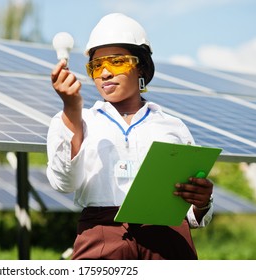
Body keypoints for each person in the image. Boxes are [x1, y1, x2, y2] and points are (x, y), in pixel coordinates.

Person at [46, 13, 214, 260]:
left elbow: (192, 213)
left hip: (169, 243)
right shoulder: (76, 121)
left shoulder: (172, 126)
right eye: (96, 66)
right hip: (101, 238)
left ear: (141, 66)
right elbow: (63, 184)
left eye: (116, 62)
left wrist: (202, 203)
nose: (104, 73)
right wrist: (72, 110)